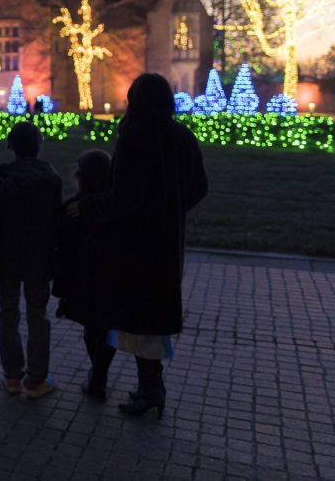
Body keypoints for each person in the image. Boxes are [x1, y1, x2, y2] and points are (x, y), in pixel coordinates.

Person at [86, 73, 208, 419]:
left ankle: (150, 388)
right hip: (166, 241)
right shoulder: (183, 136)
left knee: (140, 317)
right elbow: (200, 186)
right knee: (152, 314)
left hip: (135, 242)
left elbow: (122, 196)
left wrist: (91, 207)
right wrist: (173, 208)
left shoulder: (134, 138)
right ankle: (150, 385)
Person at [0, 121, 61, 398]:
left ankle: (13, 376)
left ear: (11, 147)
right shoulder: (51, 178)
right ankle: (36, 380)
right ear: (39, 146)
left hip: (6, 257)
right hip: (39, 257)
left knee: (8, 314)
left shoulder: (2, 177)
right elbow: (56, 221)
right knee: (37, 316)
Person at [53, 150, 115, 402]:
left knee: (91, 330)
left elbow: (62, 249)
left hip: (81, 282)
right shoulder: (112, 207)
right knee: (106, 329)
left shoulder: (71, 208)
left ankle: (97, 377)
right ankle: (99, 375)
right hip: (110, 280)